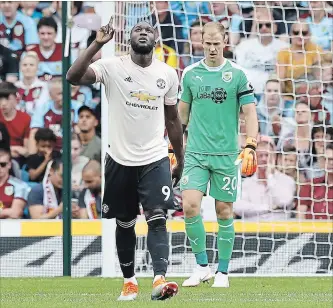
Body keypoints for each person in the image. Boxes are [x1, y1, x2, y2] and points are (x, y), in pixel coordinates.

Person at [66, 18, 184, 301]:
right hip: (119, 158)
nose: (143, 32)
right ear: (129, 38)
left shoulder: (167, 74)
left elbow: (173, 119)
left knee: (158, 218)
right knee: (125, 221)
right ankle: (129, 282)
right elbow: (73, 76)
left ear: (155, 39)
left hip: (154, 157)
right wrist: (97, 43)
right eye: (137, 29)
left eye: (148, 30)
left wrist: (179, 157)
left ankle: (160, 279)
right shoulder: (112, 66)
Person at [178, 22, 258, 288]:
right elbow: (181, 116)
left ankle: (223, 272)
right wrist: (171, 146)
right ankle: (202, 267)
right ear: (201, 41)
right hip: (196, 153)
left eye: (217, 43)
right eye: (207, 43)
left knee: (224, 212)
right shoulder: (190, 74)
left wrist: (251, 144)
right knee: (189, 206)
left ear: (225, 41)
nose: (212, 48)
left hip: (225, 155)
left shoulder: (237, 74)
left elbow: (250, 113)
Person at [0, 147, 30, 219]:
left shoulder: (20, 186)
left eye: (2, 164)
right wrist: (6, 212)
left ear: (9, 165)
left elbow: (15, 213)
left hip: (10, 227)